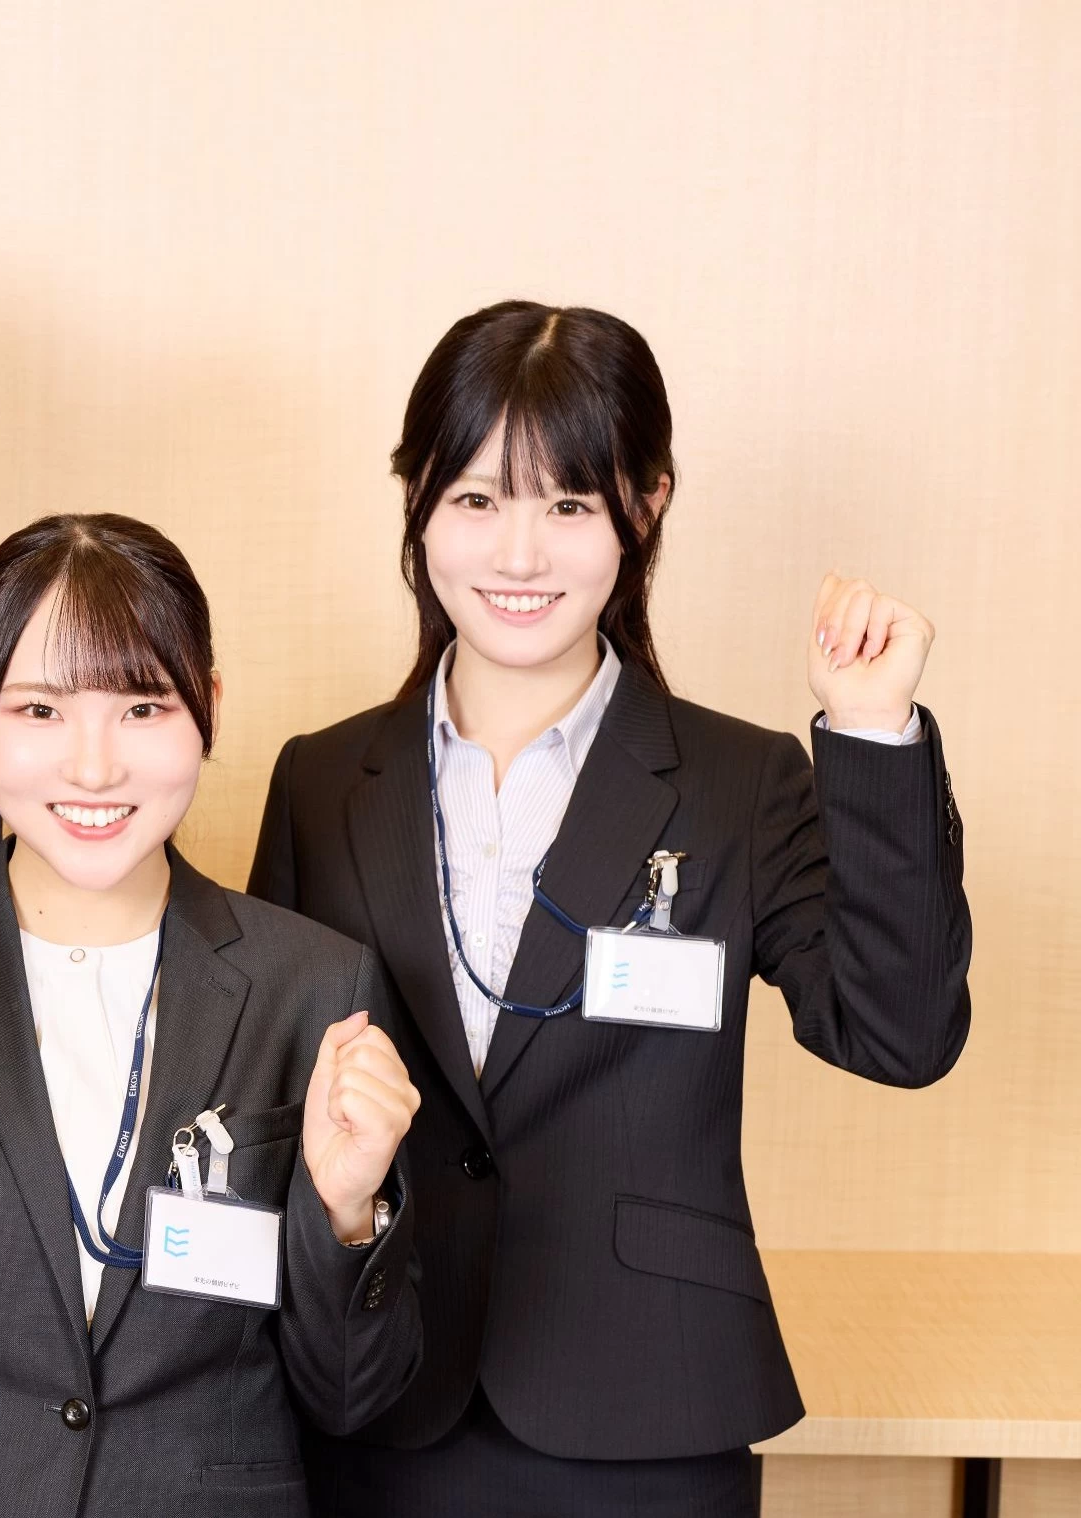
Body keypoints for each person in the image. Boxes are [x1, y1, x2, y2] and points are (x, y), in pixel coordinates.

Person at [249, 300, 972, 1517]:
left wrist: (868, 734)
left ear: (645, 505)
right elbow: (269, 1097)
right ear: (415, 504)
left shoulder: (739, 782)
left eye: (568, 506)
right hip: (377, 1396)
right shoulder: (318, 781)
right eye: (474, 499)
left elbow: (899, 1035)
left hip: (650, 1411)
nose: (516, 555)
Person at [0, 514, 424, 1516]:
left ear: (208, 707)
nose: (94, 768)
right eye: (39, 710)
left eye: (142, 707)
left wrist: (346, 1213)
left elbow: (347, 1397)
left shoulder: (316, 984)